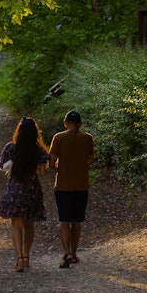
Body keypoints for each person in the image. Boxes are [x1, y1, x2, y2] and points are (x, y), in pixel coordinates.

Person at [0, 116, 50, 272]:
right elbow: (43, 172)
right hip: (32, 190)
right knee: (29, 225)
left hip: (14, 190)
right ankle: (26, 255)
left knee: (16, 225)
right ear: (35, 133)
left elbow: (1, 165)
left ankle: (19, 257)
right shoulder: (38, 150)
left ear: (19, 131)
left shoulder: (10, 148)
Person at [48, 110, 95, 269]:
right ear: (80, 124)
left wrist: (57, 167)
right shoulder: (87, 138)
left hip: (63, 185)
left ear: (65, 123)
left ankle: (66, 252)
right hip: (82, 185)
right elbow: (89, 159)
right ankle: (74, 254)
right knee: (77, 221)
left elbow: (52, 162)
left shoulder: (58, 138)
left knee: (64, 221)